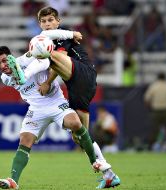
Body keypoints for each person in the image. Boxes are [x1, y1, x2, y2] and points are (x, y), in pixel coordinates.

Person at [0, 46, 111, 189]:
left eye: (5, 61)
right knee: (24, 140)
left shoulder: (27, 60)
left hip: (55, 102)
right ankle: (13, 180)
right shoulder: (5, 78)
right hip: (36, 109)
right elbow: (20, 78)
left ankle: (94, 162)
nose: (2, 66)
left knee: (75, 124)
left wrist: (47, 82)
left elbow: (47, 62)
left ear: (11, 58)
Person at [35, 6, 120, 188]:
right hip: (76, 86)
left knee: (48, 53)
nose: (48, 24)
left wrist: (47, 82)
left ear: (58, 22)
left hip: (83, 73)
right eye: (44, 21)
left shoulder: (61, 36)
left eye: (51, 20)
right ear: (40, 24)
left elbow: (58, 58)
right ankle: (109, 174)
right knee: (81, 136)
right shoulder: (49, 40)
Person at [144, 72, 166, 150]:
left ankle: (151, 146)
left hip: (156, 110)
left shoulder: (154, 86)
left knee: (154, 129)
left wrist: (150, 108)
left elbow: (147, 99)